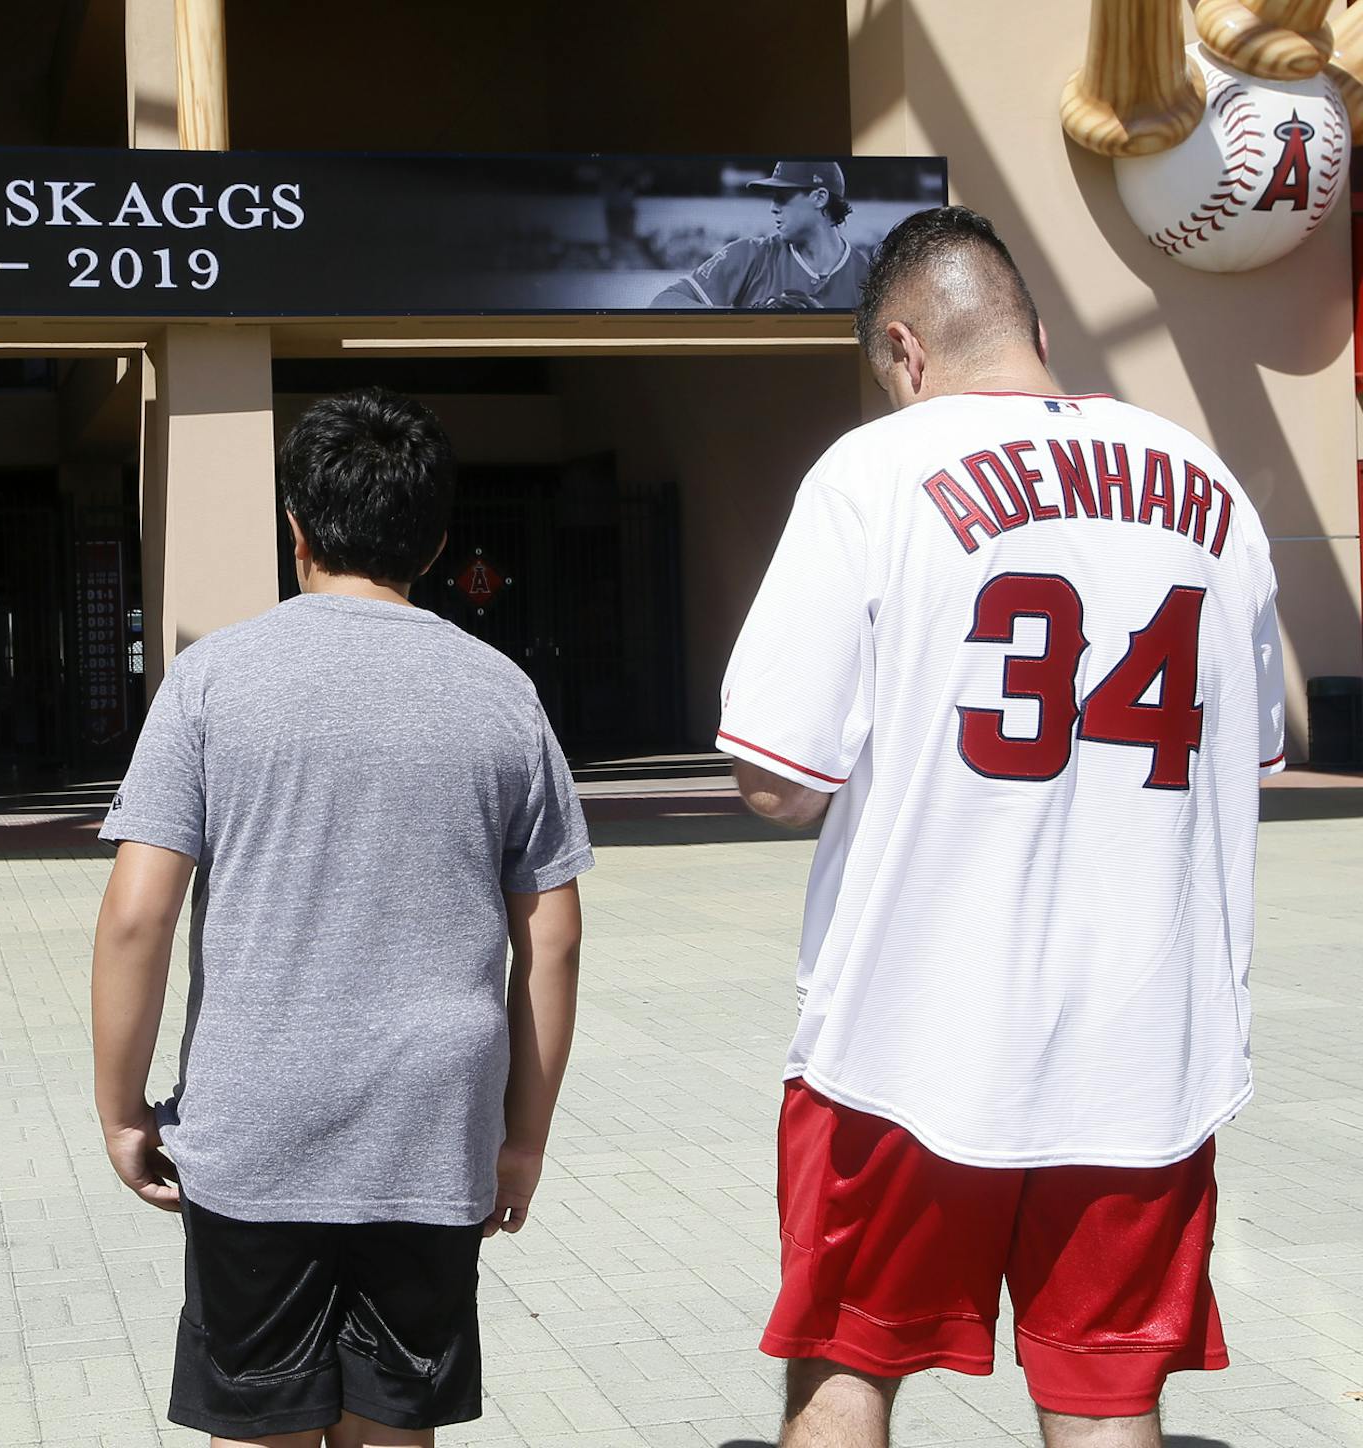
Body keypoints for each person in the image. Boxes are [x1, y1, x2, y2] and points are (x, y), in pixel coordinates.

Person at [717, 207, 1283, 1448]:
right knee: (1104, 1398)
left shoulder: (874, 471)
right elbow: (1253, 755)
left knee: (846, 1368)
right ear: (1031, 326)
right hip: (1147, 1046)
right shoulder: (1207, 480)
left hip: (910, 1041)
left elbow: (777, 775)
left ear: (907, 354)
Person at [91, 388, 592, 1448]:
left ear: (298, 526)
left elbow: (137, 914)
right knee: (395, 1430)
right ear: (438, 535)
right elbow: (553, 932)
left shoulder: (211, 682)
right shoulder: (502, 691)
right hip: (431, 1123)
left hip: (256, 1123)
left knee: (260, 1426)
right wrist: (525, 1132)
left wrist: (124, 1108)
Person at [653, 160, 871, 310]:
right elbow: (663, 303)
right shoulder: (750, 254)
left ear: (819, 197)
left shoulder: (867, 275)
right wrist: (751, 319)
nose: (773, 208)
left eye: (782, 196)